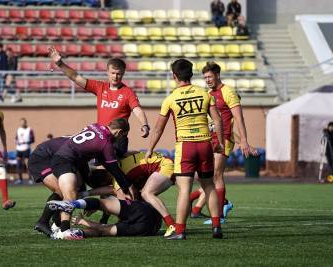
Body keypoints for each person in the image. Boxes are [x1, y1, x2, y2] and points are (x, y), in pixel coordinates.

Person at [145, 59, 224, 240]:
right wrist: (218, 142)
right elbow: (218, 121)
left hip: (185, 146)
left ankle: (180, 230)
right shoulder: (205, 94)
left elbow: (158, 128)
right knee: (209, 185)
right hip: (205, 144)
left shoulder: (171, 98)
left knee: (184, 190)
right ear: (191, 74)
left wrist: (150, 149)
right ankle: (216, 227)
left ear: (174, 76)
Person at [48, 46, 150, 157]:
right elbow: (75, 77)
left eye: (118, 73)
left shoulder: (128, 92)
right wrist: (60, 64)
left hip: (118, 139)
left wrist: (144, 125)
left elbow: (137, 110)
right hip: (101, 137)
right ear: (107, 72)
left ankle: (133, 156)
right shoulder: (100, 87)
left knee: (114, 168)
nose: (115, 76)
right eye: (112, 73)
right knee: (98, 168)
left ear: (123, 73)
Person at [193, 61, 257, 225]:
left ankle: (219, 216)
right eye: (205, 77)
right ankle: (223, 203)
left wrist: (244, 141)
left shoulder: (228, 92)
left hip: (224, 138)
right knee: (203, 177)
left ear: (217, 75)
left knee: (216, 175)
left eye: (209, 76)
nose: (207, 80)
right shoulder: (208, 93)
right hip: (208, 139)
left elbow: (239, 118)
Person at [50, 118, 135, 237]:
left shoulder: (95, 126)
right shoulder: (106, 143)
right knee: (71, 195)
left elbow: (100, 157)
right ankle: (63, 231)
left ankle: (57, 224)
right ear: (120, 132)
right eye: (123, 136)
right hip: (65, 161)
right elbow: (114, 169)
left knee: (73, 195)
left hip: (69, 161)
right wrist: (126, 189)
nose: (121, 139)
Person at [81, 151, 176, 235]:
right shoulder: (119, 164)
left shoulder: (118, 178)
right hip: (165, 162)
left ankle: (171, 225)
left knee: (146, 194)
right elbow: (111, 190)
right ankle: (161, 223)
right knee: (143, 198)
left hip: (164, 165)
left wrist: (97, 205)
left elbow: (125, 206)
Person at [47, 198, 162, 240]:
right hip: (147, 223)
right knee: (103, 230)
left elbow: (103, 228)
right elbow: (103, 228)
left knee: (101, 204)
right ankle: (75, 232)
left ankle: (73, 204)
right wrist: (83, 221)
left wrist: (83, 221)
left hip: (144, 214)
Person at [29, 136, 72, 237]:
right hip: (41, 158)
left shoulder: (79, 140)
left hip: (47, 157)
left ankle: (57, 222)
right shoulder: (82, 146)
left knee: (64, 189)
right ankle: (43, 222)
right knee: (61, 190)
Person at [14, 118, 35, 185]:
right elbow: (16, 138)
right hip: (19, 149)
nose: (22, 123)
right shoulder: (18, 130)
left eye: (24, 122)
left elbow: (33, 139)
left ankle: (30, 179)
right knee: (18, 164)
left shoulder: (29, 129)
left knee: (27, 164)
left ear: (26, 123)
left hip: (26, 148)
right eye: (21, 122)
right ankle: (20, 179)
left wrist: (26, 142)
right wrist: (16, 141)